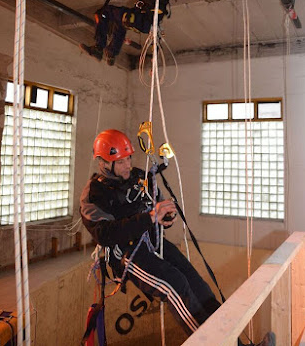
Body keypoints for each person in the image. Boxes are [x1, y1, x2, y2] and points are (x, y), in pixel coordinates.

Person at [80, 129, 276, 345]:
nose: (127, 164)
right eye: (120, 161)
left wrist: (165, 215)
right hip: (128, 255)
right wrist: (150, 218)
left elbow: (155, 203)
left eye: (128, 158)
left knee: (200, 287)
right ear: (104, 163)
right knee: (175, 286)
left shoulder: (138, 177)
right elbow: (104, 234)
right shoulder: (94, 193)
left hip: (154, 242)